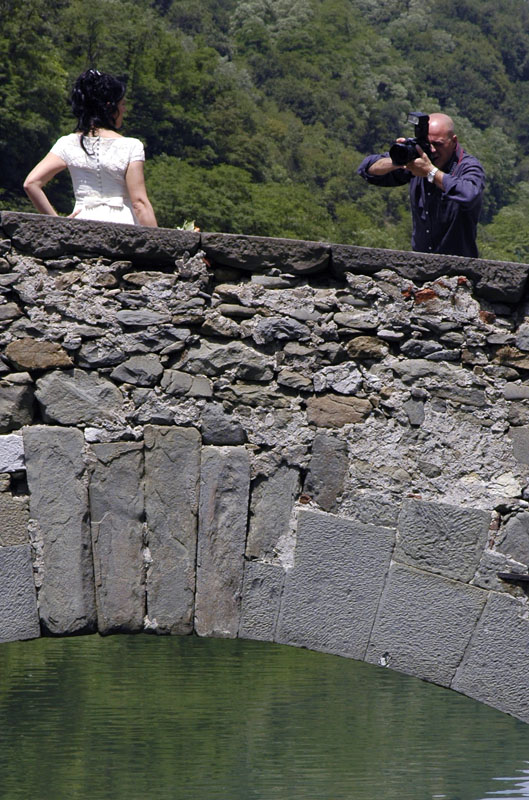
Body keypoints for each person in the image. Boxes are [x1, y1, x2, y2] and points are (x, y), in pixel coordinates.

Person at [24, 69, 157, 227]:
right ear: (110, 107)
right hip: (123, 226)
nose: (124, 109)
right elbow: (139, 204)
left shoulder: (67, 143)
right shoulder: (131, 146)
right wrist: (159, 246)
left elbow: (31, 184)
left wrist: (57, 223)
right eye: (122, 104)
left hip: (80, 227)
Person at [357, 112, 485, 257]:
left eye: (438, 144)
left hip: (459, 266)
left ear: (454, 141)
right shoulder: (419, 160)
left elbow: (470, 194)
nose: (432, 150)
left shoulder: (468, 166)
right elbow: (366, 169)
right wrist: (400, 160)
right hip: (421, 265)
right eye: (428, 144)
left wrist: (430, 172)